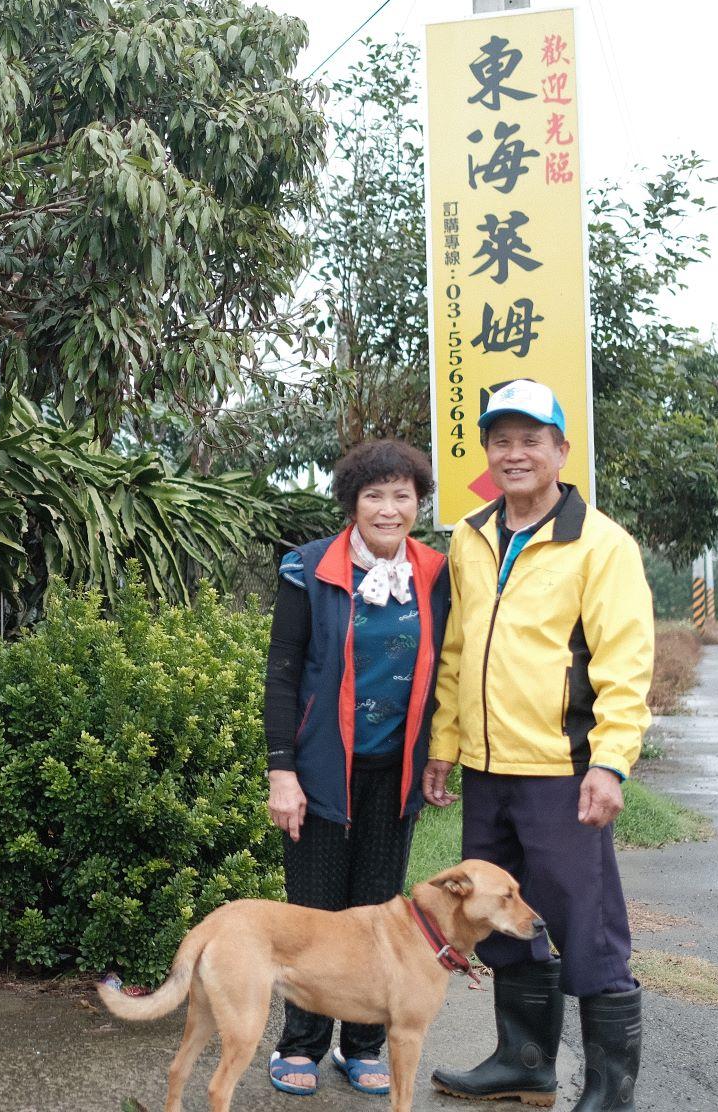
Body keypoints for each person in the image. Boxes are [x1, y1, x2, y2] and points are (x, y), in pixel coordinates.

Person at [422, 380, 653, 1111]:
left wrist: (611, 762)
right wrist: (444, 745)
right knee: (501, 923)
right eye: (501, 440)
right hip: (489, 773)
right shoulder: (471, 536)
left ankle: (612, 1090)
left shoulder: (602, 545)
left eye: (530, 439)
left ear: (561, 449)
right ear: (487, 451)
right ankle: (524, 1063)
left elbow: (624, 664)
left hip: (563, 772)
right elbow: (457, 651)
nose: (514, 453)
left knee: (587, 925)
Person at [262, 439, 452, 1098]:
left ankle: (363, 1044)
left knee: (380, 913)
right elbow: (283, 672)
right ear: (352, 502)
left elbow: (447, 672)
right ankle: (302, 1045)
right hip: (319, 770)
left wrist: (439, 753)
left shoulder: (436, 572)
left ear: (418, 504)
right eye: (375, 494)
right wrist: (280, 771)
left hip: (394, 772)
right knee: (313, 918)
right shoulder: (309, 568)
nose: (390, 508)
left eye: (403, 495)